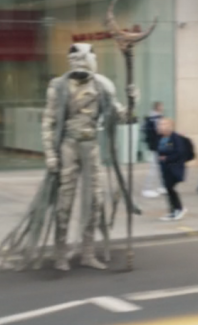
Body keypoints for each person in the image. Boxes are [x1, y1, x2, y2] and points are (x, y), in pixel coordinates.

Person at [42, 42, 136, 271]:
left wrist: (133, 100)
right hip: (68, 146)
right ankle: (60, 254)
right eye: (75, 59)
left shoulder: (103, 86)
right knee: (65, 202)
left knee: (95, 200)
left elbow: (124, 117)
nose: (79, 63)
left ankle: (87, 252)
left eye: (84, 59)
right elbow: (49, 121)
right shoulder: (58, 86)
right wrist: (50, 155)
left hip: (91, 146)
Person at [157, 118, 187, 221]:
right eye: (160, 124)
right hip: (166, 168)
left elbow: (179, 152)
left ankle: (178, 209)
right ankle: (173, 210)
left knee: (171, 189)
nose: (161, 126)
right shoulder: (162, 138)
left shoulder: (175, 138)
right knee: (169, 190)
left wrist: (166, 158)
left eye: (163, 124)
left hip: (174, 168)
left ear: (170, 126)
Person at [141, 101, 166, 198]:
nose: (162, 108)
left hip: (156, 145)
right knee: (154, 167)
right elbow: (159, 132)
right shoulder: (156, 118)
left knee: (159, 166)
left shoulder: (152, 117)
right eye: (161, 106)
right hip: (157, 146)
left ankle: (162, 186)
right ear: (158, 107)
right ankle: (147, 188)